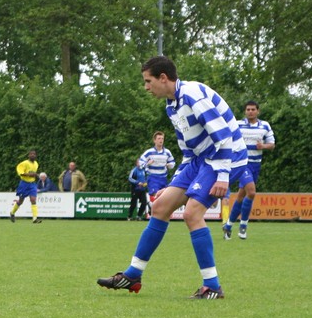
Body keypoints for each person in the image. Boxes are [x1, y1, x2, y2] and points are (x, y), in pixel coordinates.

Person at [98, 55, 245, 299]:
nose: (146, 87)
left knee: (192, 213)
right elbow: (188, 152)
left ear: (163, 78)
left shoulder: (192, 95)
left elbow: (224, 136)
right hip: (200, 159)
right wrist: (173, 183)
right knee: (160, 206)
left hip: (226, 156)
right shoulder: (172, 105)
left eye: (148, 81)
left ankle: (213, 286)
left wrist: (222, 175)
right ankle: (133, 275)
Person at [222, 101, 275, 240]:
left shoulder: (265, 126)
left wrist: (263, 146)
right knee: (251, 192)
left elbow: (272, 144)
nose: (250, 112)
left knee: (241, 196)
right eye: (248, 109)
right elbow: (226, 138)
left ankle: (228, 226)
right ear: (245, 111)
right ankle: (243, 226)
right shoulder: (237, 125)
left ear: (258, 111)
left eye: (253, 109)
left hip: (255, 165)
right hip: (241, 164)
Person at [138, 131, 176, 215]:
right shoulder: (149, 152)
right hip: (153, 177)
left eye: (162, 138)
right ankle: (153, 209)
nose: (161, 140)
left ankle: (152, 207)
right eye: (159, 138)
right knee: (156, 194)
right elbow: (140, 162)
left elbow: (172, 162)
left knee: (164, 197)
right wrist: (147, 164)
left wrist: (169, 165)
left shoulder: (167, 152)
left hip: (163, 177)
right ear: (154, 140)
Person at [9, 149, 41, 223]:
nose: (32, 155)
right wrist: (30, 174)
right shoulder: (24, 163)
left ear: (36, 156)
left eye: (34, 154)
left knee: (33, 200)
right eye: (31, 154)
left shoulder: (36, 164)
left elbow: (33, 173)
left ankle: (35, 218)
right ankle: (12, 213)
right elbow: (21, 173)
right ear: (28, 155)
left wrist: (36, 175)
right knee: (21, 201)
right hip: (24, 184)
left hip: (32, 184)